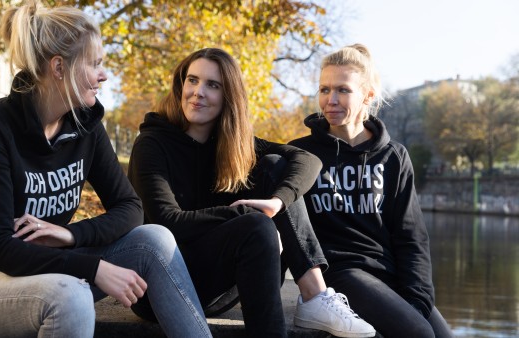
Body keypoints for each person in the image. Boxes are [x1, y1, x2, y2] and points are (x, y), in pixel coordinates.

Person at [0, 1, 211, 337]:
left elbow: (131, 208)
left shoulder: (85, 127)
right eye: (95, 64)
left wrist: (71, 235)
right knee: (72, 297)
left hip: (45, 273)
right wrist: (92, 267)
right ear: (59, 67)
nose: (104, 75)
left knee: (154, 238)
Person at [127, 47, 375, 338]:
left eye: (212, 85)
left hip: (214, 287)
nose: (198, 92)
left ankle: (315, 295)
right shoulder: (153, 144)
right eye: (192, 80)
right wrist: (249, 213)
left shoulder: (232, 145)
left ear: (229, 96)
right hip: (158, 287)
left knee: (275, 167)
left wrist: (275, 202)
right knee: (257, 224)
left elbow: (308, 160)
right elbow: (167, 222)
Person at [289, 43, 453, 338]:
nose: (331, 100)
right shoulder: (302, 154)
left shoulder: (394, 156)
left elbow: (411, 237)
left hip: (388, 275)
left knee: (438, 333)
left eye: (343, 90)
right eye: (324, 89)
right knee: (419, 334)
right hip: (340, 272)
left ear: (368, 95)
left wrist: (417, 300)